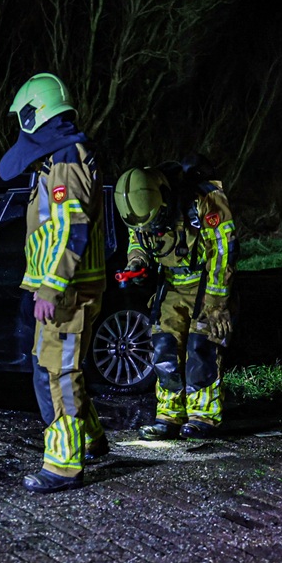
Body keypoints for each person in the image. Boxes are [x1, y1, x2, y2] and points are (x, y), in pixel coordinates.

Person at [0, 72, 108, 494]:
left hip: (66, 291)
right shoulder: (63, 154)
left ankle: (63, 465)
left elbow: (71, 229)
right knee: (64, 370)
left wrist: (50, 287)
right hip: (70, 288)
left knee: (55, 374)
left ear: (33, 113)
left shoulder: (66, 160)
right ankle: (92, 440)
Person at [113, 155, 237, 440]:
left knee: (201, 347)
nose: (152, 228)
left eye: (155, 221)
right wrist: (136, 261)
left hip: (207, 284)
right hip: (169, 285)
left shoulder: (204, 199)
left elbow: (223, 251)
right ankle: (169, 415)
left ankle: (203, 417)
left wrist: (218, 303)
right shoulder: (139, 207)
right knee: (164, 348)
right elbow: (138, 238)